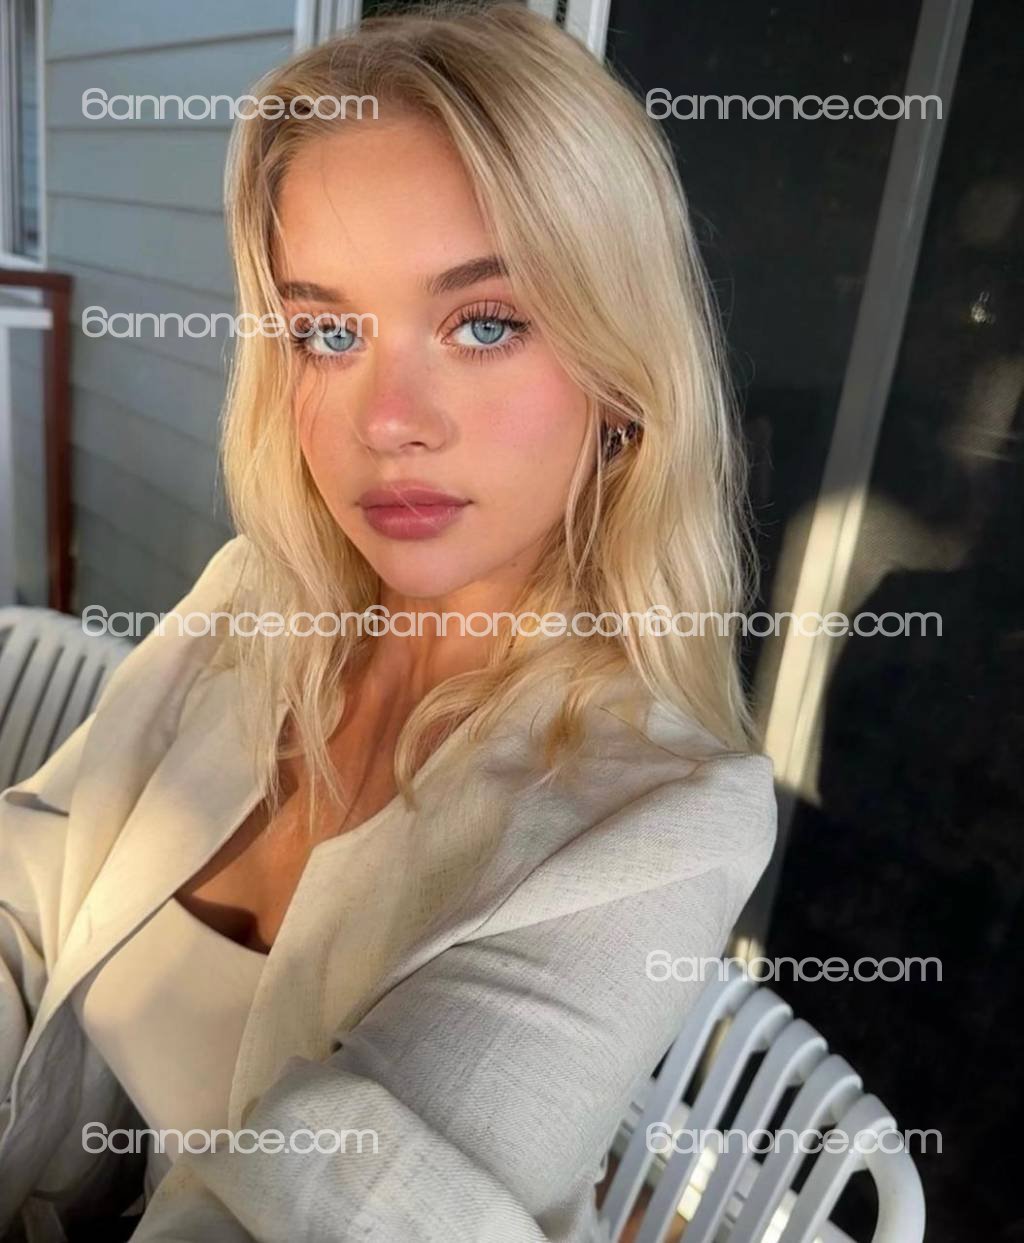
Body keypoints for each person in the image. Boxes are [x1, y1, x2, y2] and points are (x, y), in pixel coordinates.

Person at [0, 3, 777, 1239]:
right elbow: (40, 873)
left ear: (623, 374)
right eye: (326, 332)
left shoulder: (658, 818)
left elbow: (338, 1206)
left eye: (484, 323)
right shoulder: (253, 600)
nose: (387, 420)